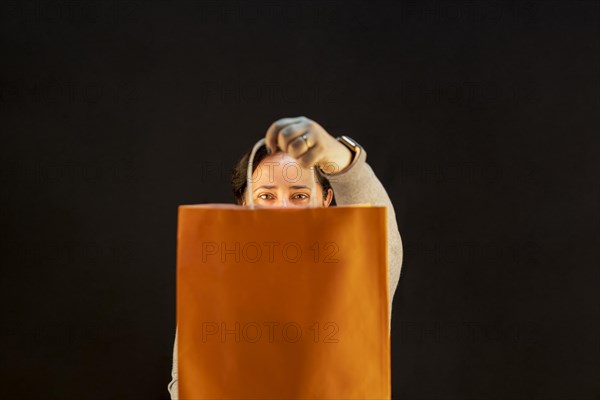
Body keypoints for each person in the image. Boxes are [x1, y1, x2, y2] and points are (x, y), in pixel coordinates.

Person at [168, 116, 403, 399]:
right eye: (266, 196)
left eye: (299, 195)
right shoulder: (214, 283)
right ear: (245, 203)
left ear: (325, 199)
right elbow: (185, 381)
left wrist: (339, 158)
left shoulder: (351, 272)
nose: (282, 208)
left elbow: (381, 240)